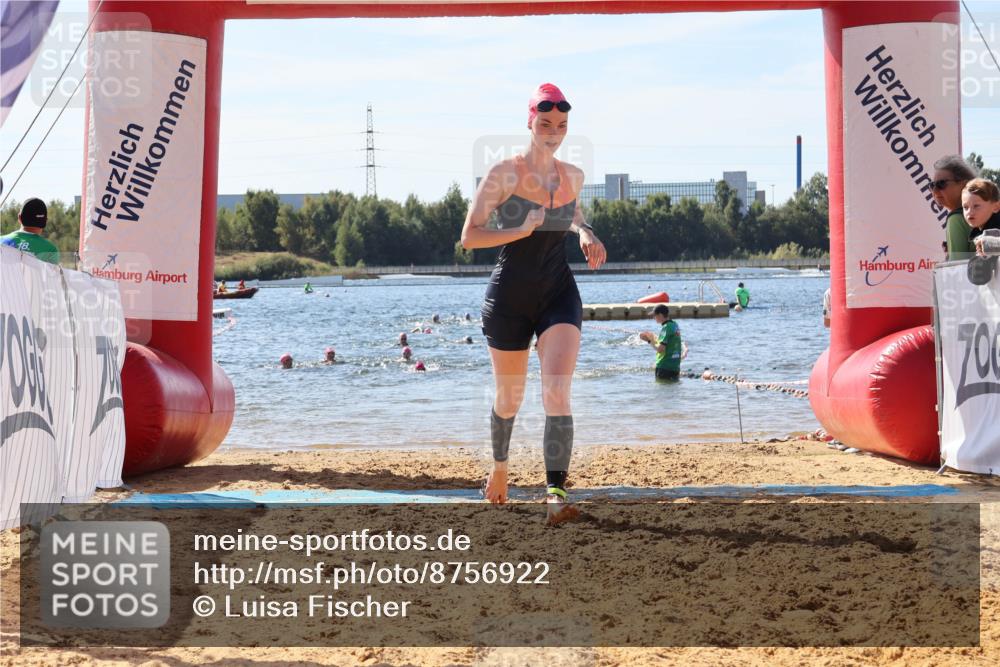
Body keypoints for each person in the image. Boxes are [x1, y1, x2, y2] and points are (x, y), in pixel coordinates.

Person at [460, 82, 607, 525]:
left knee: (557, 391)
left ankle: (556, 496)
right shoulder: (504, 173)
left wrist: (584, 231)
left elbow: (572, 213)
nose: (553, 132)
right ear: (530, 122)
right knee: (510, 399)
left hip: (558, 292)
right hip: (509, 298)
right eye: (545, 123)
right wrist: (520, 231)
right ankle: (500, 469)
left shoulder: (573, 176)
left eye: (561, 125)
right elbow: (470, 237)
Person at [932, 155, 977, 260]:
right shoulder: (990, 211)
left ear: (964, 185)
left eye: (941, 184)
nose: (934, 191)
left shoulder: (956, 219)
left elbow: (956, 269)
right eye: (932, 185)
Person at [1, 198, 59, 264]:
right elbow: (50, 274)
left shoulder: (1, 241)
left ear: (19, 218)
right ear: (45, 221)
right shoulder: (50, 250)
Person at [639, 304, 682, 381]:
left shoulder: (666, 328)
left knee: (661, 391)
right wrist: (655, 338)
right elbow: (669, 343)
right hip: (675, 367)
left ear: (660, 315)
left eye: (654, 315)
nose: (653, 318)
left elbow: (660, 349)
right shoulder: (675, 325)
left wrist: (649, 340)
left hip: (664, 367)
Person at [963, 178, 1000, 245]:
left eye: (976, 206)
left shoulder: (995, 236)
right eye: (965, 207)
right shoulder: (979, 232)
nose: (969, 212)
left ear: (996, 207)